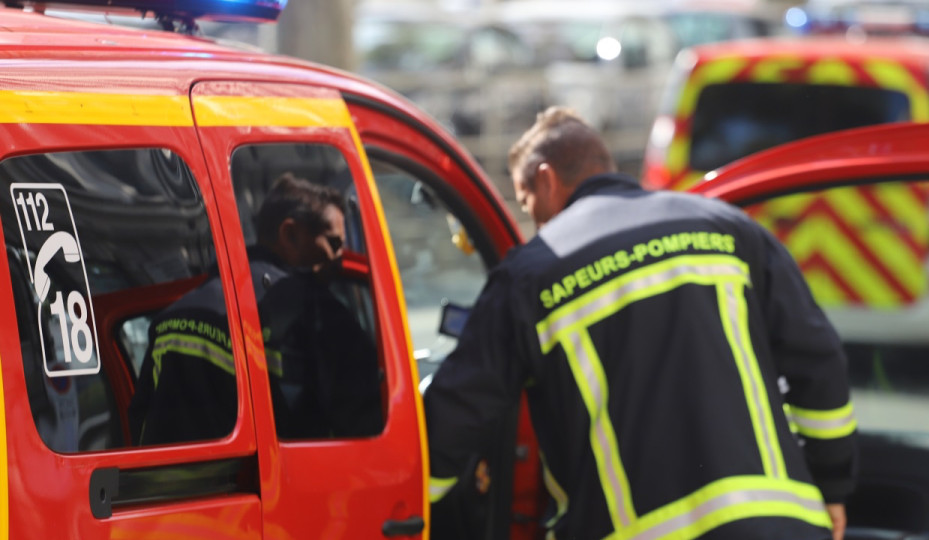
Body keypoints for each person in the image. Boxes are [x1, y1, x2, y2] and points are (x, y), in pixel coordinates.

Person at [424, 107, 857, 540]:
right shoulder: (727, 228)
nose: (534, 222)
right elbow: (819, 363)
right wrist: (832, 484)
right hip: (776, 526)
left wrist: (416, 498)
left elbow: (460, 408)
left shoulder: (530, 276)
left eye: (527, 203)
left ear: (545, 180)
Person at [129, 173, 382, 445]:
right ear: (290, 234)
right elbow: (366, 429)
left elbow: (140, 425)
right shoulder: (316, 314)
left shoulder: (170, 319)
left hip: (178, 486)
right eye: (333, 243)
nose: (339, 259)